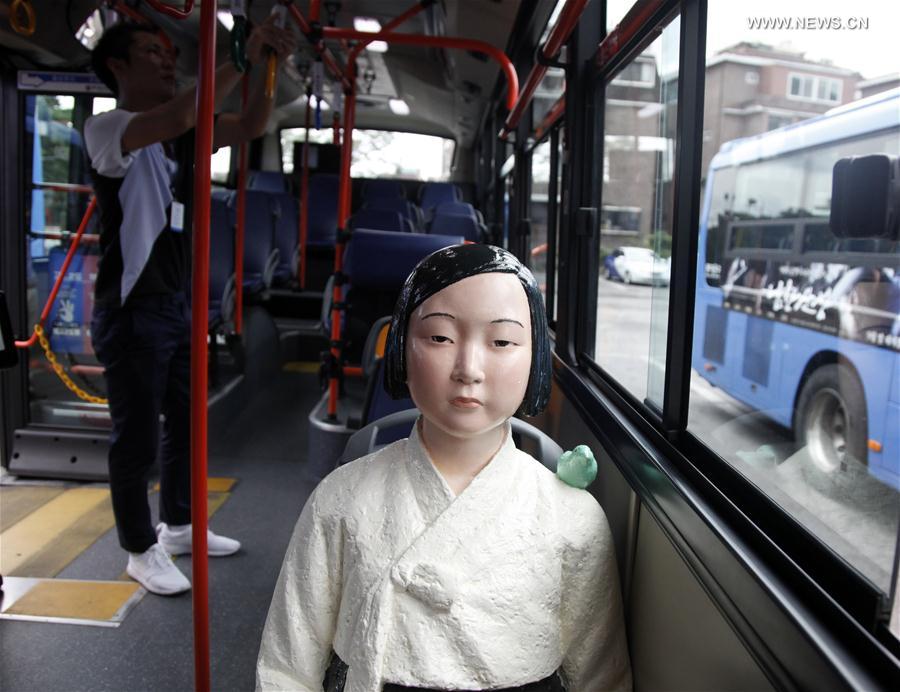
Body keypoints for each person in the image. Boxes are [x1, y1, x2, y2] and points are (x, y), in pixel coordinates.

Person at [256, 244, 632, 691]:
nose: (468, 369)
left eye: (502, 342)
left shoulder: (573, 518)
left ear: (534, 357)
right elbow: (287, 667)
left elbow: (600, 677)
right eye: (439, 338)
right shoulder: (340, 498)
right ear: (400, 346)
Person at [84, 17, 296, 596]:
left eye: (167, 50)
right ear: (118, 67)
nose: (166, 58)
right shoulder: (108, 129)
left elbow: (252, 123)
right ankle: (137, 548)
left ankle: (178, 526)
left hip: (176, 304)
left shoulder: (181, 134)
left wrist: (269, 68)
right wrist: (244, 55)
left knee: (186, 425)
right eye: (151, 51)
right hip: (132, 309)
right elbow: (179, 113)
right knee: (137, 438)